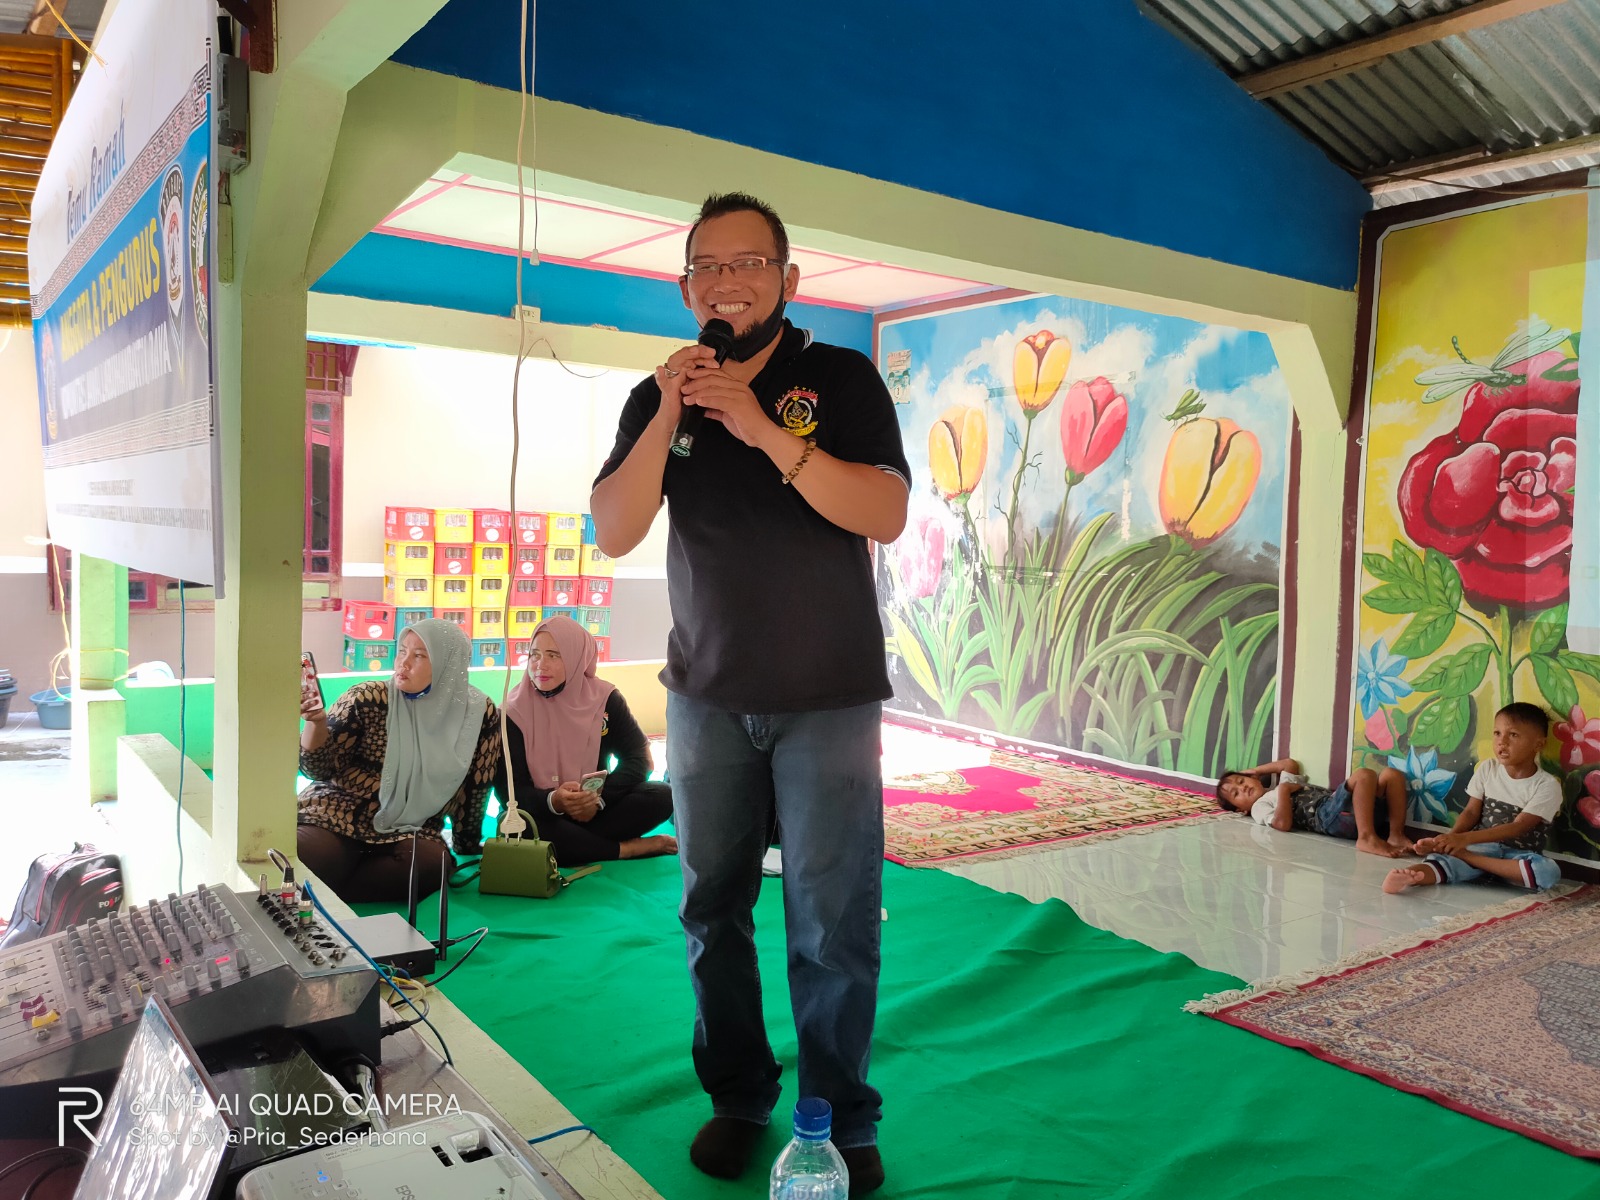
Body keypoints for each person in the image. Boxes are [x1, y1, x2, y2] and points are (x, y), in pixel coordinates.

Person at [590, 192, 909, 1194]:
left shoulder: (838, 378)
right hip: (706, 699)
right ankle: (738, 1097)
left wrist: (762, 427)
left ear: (787, 279)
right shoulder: (657, 396)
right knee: (710, 909)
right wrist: (671, 411)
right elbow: (614, 528)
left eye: (748, 264)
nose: (726, 283)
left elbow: (885, 512)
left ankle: (838, 1119)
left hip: (829, 699)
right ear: (685, 286)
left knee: (832, 919)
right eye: (708, 267)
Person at [297, 619, 500, 903]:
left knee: (432, 867)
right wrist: (316, 723)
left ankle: (327, 887)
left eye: (419, 655)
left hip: (412, 826)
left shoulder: (478, 713)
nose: (403, 663)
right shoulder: (368, 698)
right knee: (308, 856)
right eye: (402, 651)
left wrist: (467, 843)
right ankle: (333, 877)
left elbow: (477, 785)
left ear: (449, 664)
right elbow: (317, 769)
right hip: (338, 811)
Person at [495, 614, 676, 863]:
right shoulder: (513, 712)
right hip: (543, 812)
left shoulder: (605, 699)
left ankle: (574, 847)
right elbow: (508, 791)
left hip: (596, 811)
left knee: (663, 795)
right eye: (534, 655)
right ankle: (626, 849)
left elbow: (639, 759)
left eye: (554, 655)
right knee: (515, 823)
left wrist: (595, 800)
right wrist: (554, 801)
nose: (540, 665)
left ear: (576, 657)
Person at [1384, 702, 1564, 894]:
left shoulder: (1547, 785)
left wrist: (1462, 843)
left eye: (1513, 735)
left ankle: (1471, 860)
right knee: (1443, 861)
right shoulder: (1488, 769)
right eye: (1497, 733)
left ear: (1539, 744)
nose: (1502, 742)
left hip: (1517, 855)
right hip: (1482, 847)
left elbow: (1518, 827)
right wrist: (1447, 841)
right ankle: (1410, 877)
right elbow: (1470, 812)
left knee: (1548, 871)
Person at [1217, 757, 1414, 858]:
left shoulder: (1279, 786)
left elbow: (1289, 764)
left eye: (1241, 781)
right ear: (1240, 810)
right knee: (1364, 775)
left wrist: (1255, 771)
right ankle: (1366, 837)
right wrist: (1284, 791)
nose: (1242, 787)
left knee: (1391, 775)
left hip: (1348, 809)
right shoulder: (1258, 807)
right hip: (1327, 816)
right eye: (1236, 794)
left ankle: (1395, 834)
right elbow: (1281, 824)